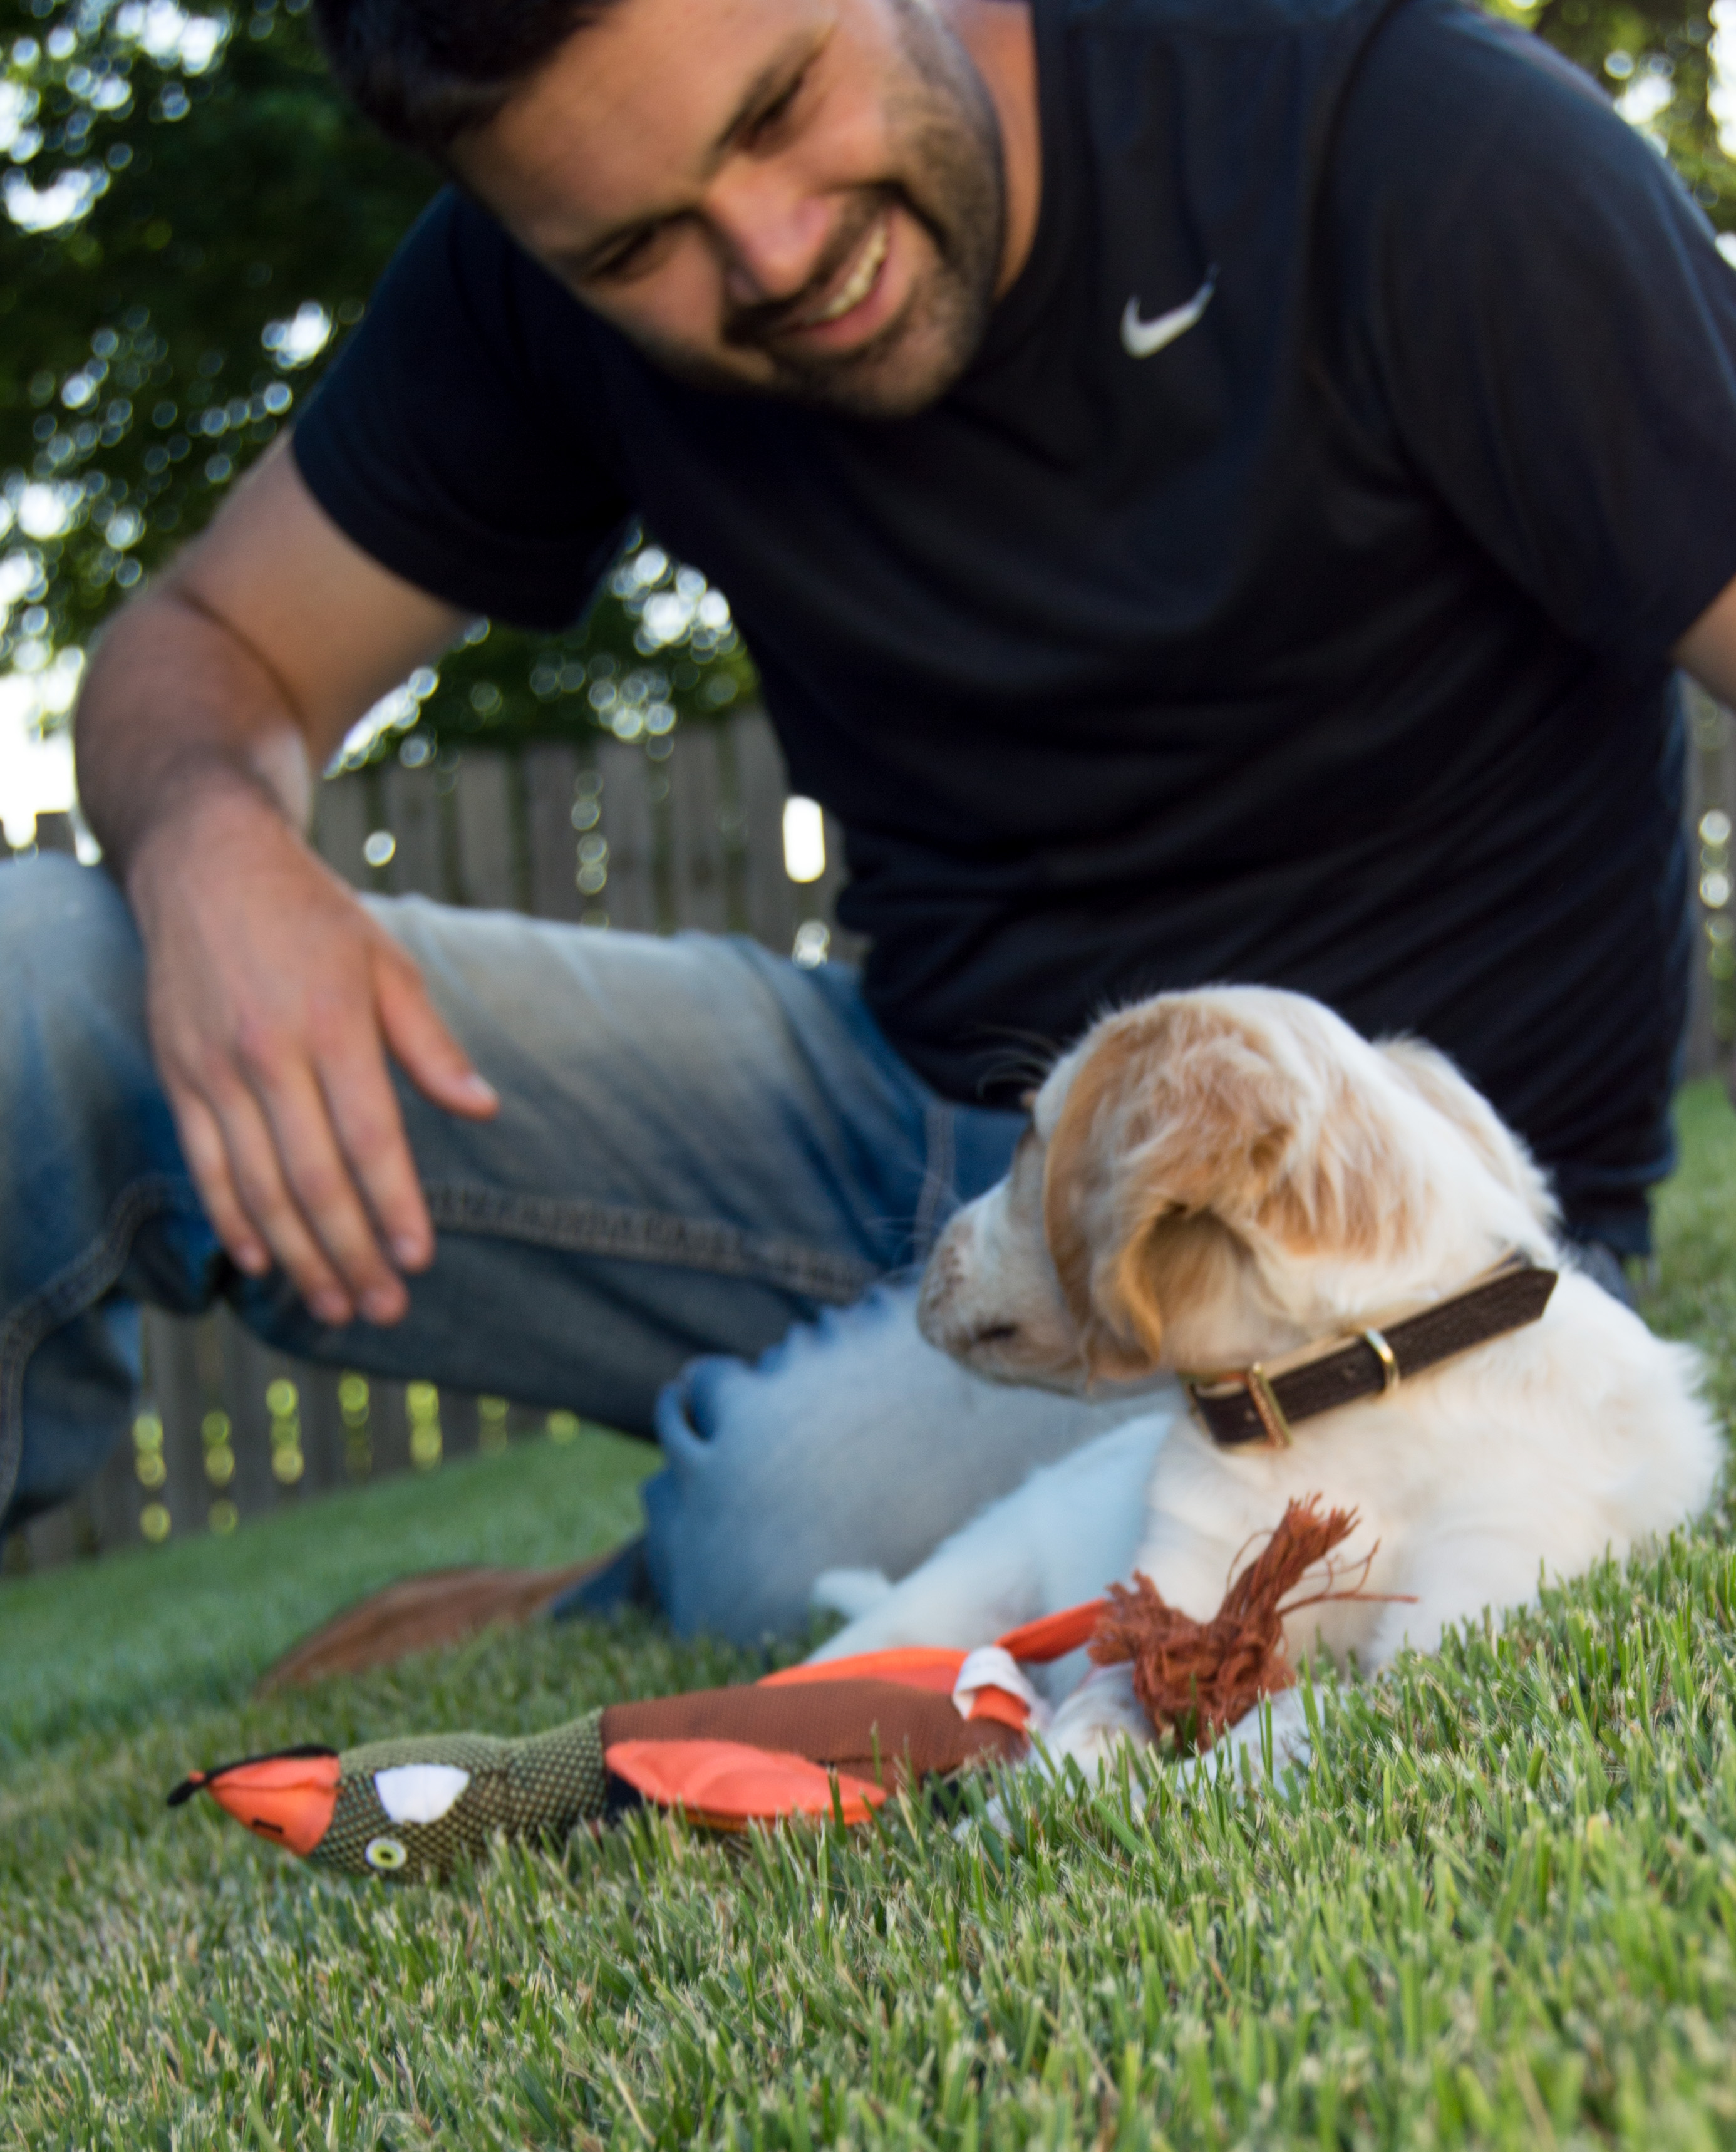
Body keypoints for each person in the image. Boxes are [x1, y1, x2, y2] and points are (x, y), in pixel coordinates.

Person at [6, 0, 1736, 1647]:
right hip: (885, 1112)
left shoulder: (1411, 145)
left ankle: (659, 1564)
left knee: (785, 1523)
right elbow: (200, 646)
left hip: (1328, 1241)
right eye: (633, 249)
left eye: (776, 107)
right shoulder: (532, 277)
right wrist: (210, 840)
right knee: (38, 986)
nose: (768, 253)